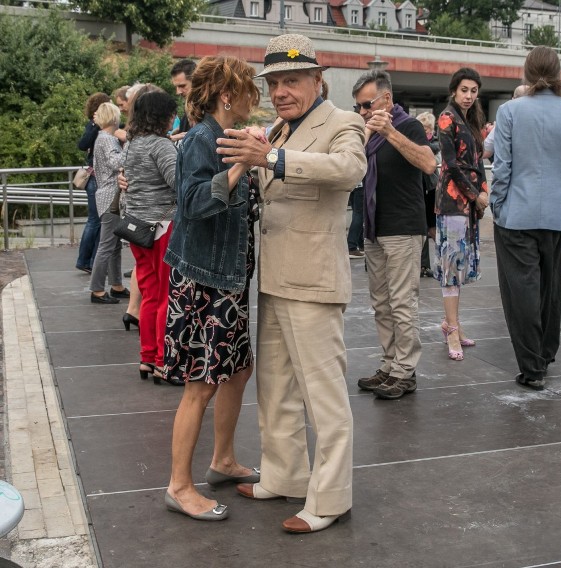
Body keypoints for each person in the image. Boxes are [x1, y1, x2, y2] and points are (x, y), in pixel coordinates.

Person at [216, 34, 366, 534]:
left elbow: (348, 170)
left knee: (324, 398)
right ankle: (285, 475)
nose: (281, 91)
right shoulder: (279, 126)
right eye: (274, 82)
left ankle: (330, 498)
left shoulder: (343, 122)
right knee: (276, 387)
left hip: (315, 281)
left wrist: (272, 161)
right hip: (276, 276)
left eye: (292, 81)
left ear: (318, 80)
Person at [161, 56, 262, 521]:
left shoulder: (226, 137)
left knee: (237, 371)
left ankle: (222, 460)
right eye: (248, 90)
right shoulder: (202, 140)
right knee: (200, 384)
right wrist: (241, 167)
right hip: (203, 280)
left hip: (227, 280)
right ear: (227, 95)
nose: (255, 99)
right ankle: (179, 485)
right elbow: (194, 203)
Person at [491, 47, 561, 389]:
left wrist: (497, 204)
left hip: (516, 212)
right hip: (558, 213)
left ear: (527, 74)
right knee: (551, 288)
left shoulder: (510, 111)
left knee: (521, 290)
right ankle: (546, 352)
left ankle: (532, 366)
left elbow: (502, 167)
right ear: (559, 73)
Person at [351, 70, 435, 400]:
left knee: (402, 303)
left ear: (386, 99)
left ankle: (405, 371)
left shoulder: (408, 126)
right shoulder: (367, 133)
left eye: (366, 104)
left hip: (403, 228)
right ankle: (389, 364)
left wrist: (390, 133)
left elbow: (428, 163)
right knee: (381, 304)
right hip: (375, 227)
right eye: (358, 106)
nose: (362, 112)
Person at [122, 91, 180, 386]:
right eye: (171, 114)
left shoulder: (131, 145)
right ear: (163, 116)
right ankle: (162, 362)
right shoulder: (161, 146)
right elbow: (178, 183)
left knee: (150, 294)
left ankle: (147, 357)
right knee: (168, 296)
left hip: (137, 229)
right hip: (163, 227)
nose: (173, 119)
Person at [434, 67, 489, 361]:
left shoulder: (470, 121)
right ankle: (451, 329)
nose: (469, 96)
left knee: (460, 265)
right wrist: (475, 194)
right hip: (452, 202)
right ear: (454, 90)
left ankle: (453, 323)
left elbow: (477, 162)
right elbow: (451, 165)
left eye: (474, 91)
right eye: (464, 90)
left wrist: (484, 190)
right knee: (451, 267)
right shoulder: (447, 117)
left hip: (468, 204)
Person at [88, 102, 129, 305]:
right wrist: (130, 146)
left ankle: (117, 285)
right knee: (106, 246)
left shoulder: (102, 138)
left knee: (114, 246)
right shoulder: (107, 139)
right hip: (110, 197)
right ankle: (97, 289)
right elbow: (117, 163)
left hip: (105, 196)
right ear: (114, 118)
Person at [75, 92, 110, 274]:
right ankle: (86, 260)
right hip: (97, 178)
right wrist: (96, 124)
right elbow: (82, 144)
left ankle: (88, 260)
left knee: (95, 221)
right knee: (95, 221)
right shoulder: (96, 126)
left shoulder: (95, 126)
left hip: (95, 178)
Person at [416, 111, 439, 277]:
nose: (426, 132)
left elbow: (435, 157)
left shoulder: (435, 143)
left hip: (431, 190)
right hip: (421, 189)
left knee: (431, 228)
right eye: (422, 128)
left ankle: (441, 260)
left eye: (428, 129)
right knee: (424, 228)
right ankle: (424, 265)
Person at [170, 59, 197, 142]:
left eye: (182, 86)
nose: (178, 92)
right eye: (177, 87)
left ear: (196, 81)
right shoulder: (189, 108)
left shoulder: (211, 109)